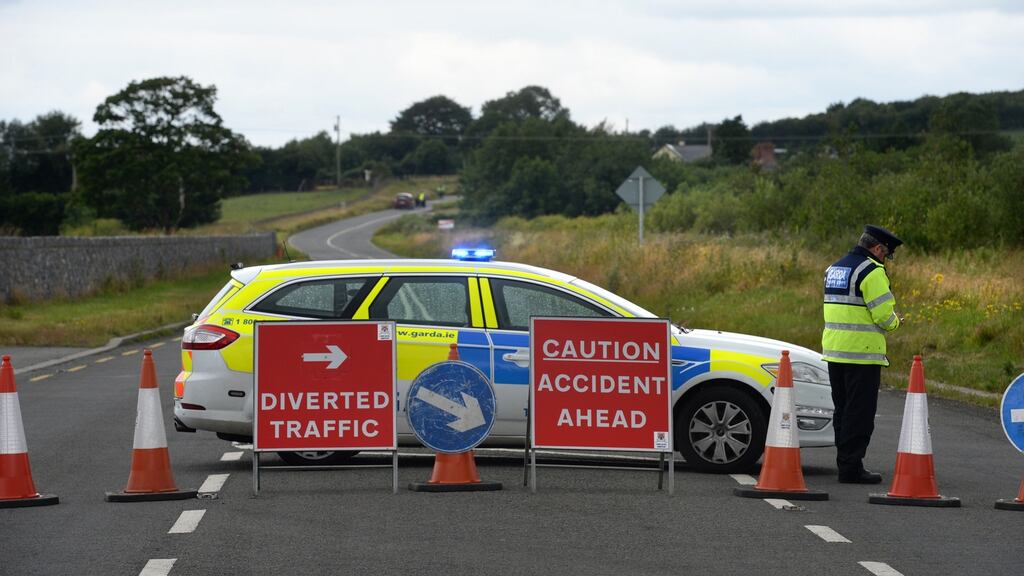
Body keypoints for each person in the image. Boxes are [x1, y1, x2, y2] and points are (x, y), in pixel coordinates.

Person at [822, 224, 903, 484]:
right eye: (886, 254)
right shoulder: (872, 271)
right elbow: (882, 315)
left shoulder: (834, 268)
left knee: (843, 410)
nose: (885, 259)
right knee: (860, 413)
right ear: (877, 248)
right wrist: (896, 322)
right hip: (862, 354)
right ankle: (851, 468)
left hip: (835, 351)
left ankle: (844, 462)